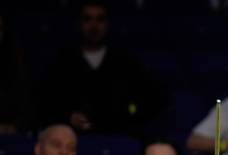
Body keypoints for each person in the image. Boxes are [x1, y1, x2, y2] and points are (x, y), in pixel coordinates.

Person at [36, 0, 166, 135]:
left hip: (117, 138)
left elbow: (151, 99)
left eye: (100, 19)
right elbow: (46, 103)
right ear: (78, 24)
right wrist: (68, 117)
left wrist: (126, 115)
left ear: (108, 24)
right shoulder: (63, 62)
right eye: (87, 19)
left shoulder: (125, 62)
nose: (94, 25)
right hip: (71, 140)